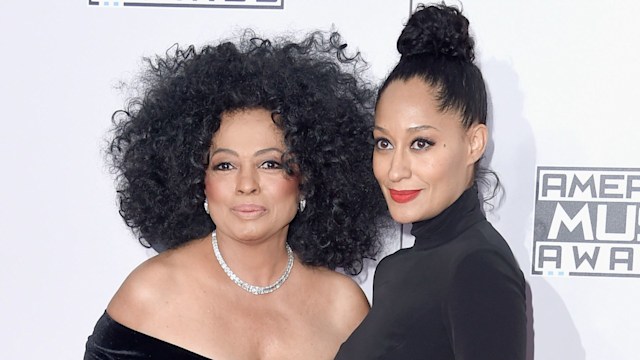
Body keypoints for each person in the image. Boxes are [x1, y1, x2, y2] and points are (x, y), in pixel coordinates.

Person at [84, 30, 388, 359]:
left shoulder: (343, 308)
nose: (246, 184)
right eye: (225, 165)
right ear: (198, 180)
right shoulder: (152, 293)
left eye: (270, 164)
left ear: (308, 177)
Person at [335, 3, 527, 360]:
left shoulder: (478, 267)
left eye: (420, 143)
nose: (395, 170)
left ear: (474, 144)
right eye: (384, 143)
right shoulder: (397, 270)